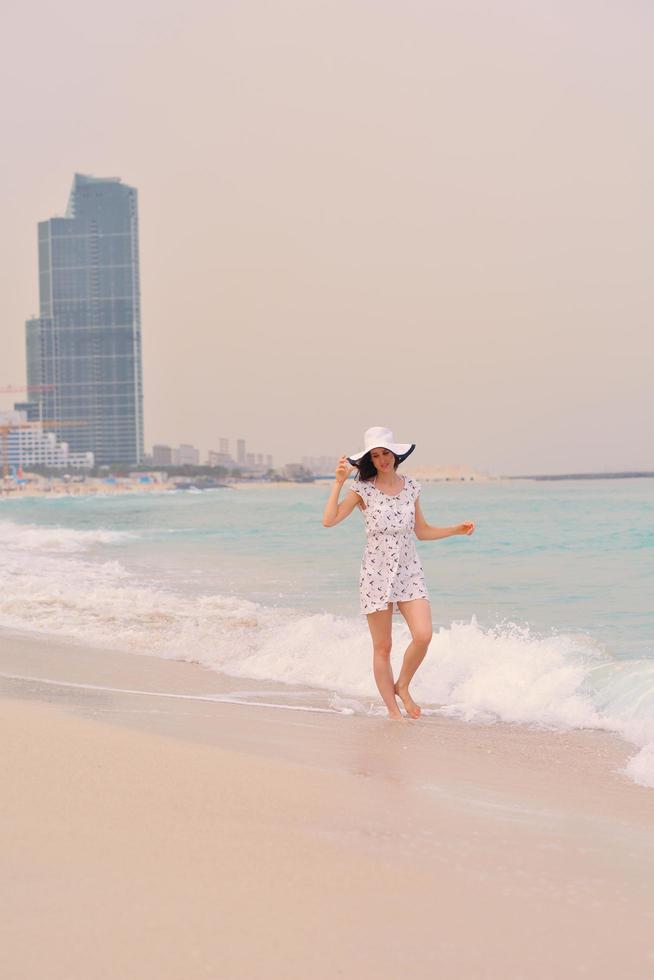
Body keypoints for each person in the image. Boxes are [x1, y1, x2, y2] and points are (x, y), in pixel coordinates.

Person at [322, 426, 475, 720]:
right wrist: (338, 483)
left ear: (395, 454)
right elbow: (329, 521)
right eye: (376, 455)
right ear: (370, 459)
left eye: (386, 453)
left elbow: (422, 531)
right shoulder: (361, 489)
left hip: (409, 572)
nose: (382, 460)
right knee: (383, 646)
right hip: (376, 574)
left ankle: (402, 685)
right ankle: (393, 712)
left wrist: (455, 530)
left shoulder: (411, 487)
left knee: (423, 635)